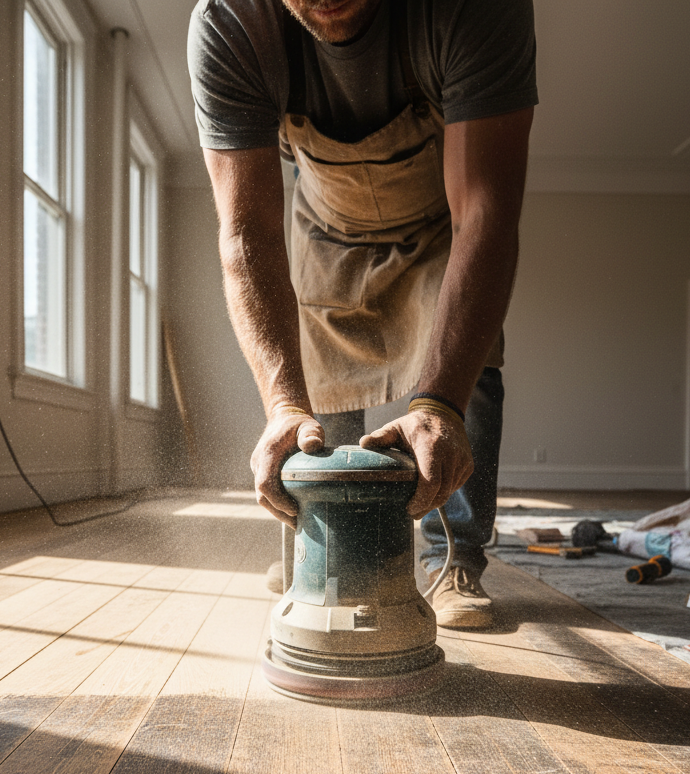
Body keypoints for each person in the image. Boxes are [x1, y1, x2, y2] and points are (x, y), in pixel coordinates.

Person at [188, 0, 536, 627]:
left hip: (442, 228)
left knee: (468, 384)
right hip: (328, 231)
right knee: (316, 403)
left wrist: (438, 406)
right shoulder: (232, 23)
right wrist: (283, 409)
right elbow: (247, 236)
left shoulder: (472, 10)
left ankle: (455, 557)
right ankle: (322, 544)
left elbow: (484, 216)